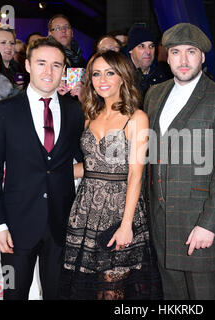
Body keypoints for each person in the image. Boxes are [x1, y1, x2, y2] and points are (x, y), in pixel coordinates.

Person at [0, 37, 84, 300]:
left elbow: (83, 159)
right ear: (27, 65)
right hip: (14, 229)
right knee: (13, 294)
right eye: (41, 63)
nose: (48, 72)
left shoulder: (75, 111)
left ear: (64, 70)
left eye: (56, 65)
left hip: (62, 227)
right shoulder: (1, 112)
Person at [145, 23, 215, 300]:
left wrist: (210, 224)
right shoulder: (154, 95)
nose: (183, 60)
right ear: (167, 56)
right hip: (161, 225)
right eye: (176, 52)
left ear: (202, 57)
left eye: (191, 52)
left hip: (198, 225)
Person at [59, 50, 161, 300]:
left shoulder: (136, 117)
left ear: (123, 77)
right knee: (86, 288)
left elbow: (135, 174)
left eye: (109, 73)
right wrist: (46, 174)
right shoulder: (89, 116)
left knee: (112, 290)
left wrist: (127, 225)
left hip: (119, 211)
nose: (102, 79)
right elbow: (91, 167)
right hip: (85, 212)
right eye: (96, 74)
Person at [126, 25, 172, 97]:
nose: (148, 52)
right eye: (142, 46)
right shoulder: (122, 75)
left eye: (151, 46)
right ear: (131, 50)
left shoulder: (165, 73)